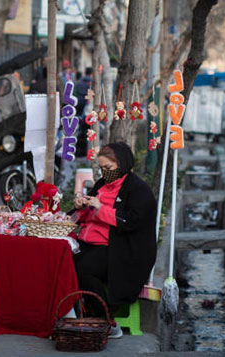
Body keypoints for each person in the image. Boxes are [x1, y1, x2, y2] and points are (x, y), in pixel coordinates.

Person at [71, 142, 157, 338]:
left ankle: (107, 321)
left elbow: (130, 222)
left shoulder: (138, 191)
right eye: (101, 169)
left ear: (122, 164)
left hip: (122, 249)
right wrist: (81, 206)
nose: (104, 173)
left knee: (83, 270)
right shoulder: (102, 184)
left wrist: (101, 209)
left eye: (108, 168)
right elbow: (85, 215)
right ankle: (75, 315)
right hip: (92, 243)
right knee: (64, 261)